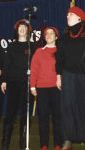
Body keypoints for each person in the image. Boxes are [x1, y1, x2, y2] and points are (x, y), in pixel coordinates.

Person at [1, 19, 35, 150]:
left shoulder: (32, 46)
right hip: (13, 84)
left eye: (24, 27)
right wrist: (4, 80)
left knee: (25, 117)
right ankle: (5, 145)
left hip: (27, 85)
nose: (22, 29)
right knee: (10, 115)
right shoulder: (11, 46)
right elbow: (6, 65)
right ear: (16, 30)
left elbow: (36, 65)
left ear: (28, 30)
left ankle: (23, 145)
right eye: (19, 27)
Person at [56, 6, 85, 150]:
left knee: (83, 106)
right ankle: (67, 140)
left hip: (83, 75)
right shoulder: (64, 37)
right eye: (67, 15)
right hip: (67, 75)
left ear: (80, 18)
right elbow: (59, 59)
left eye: (71, 15)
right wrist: (58, 76)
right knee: (67, 107)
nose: (68, 17)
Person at [30, 27, 62, 150]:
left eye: (51, 33)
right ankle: (44, 145)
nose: (48, 35)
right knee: (43, 117)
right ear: (44, 37)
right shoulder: (39, 51)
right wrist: (32, 85)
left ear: (56, 37)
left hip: (57, 88)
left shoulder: (60, 51)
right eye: (46, 34)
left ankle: (57, 144)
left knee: (57, 117)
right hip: (42, 89)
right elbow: (34, 70)